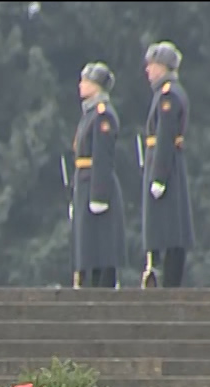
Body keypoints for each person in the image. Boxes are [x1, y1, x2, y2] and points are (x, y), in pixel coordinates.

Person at [139, 41, 193, 289]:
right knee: (167, 225)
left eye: (152, 65)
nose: (148, 70)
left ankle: (166, 279)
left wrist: (158, 175)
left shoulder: (168, 94)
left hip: (166, 165)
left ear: (162, 67)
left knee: (169, 227)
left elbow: (165, 136)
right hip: (165, 162)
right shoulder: (164, 92)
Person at [70, 61, 125, 289]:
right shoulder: (89, 114)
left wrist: (99, 196)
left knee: (100, 246)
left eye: (85, 81)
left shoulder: (103, 115)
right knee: (87, 247)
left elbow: (102, 158)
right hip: (84, 183)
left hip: (96, 184)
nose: (81, 85)